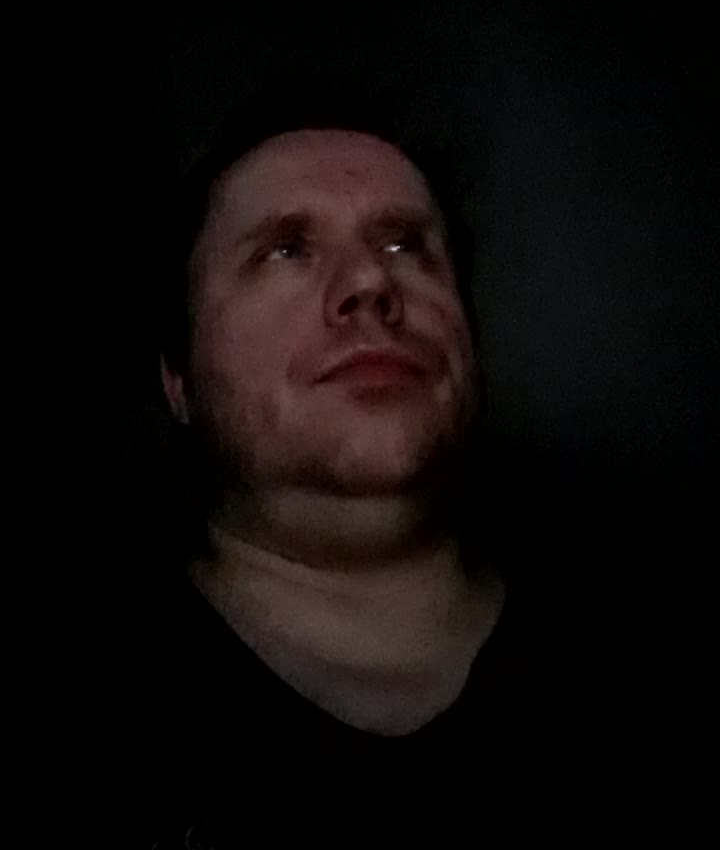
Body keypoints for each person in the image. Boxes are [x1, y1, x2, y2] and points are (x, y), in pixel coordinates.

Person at [50, 67, 690, 847]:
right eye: (286, 250)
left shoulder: (655, 642)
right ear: (177, 379)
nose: (370, 282)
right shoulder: (67, 700)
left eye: (404, 243)